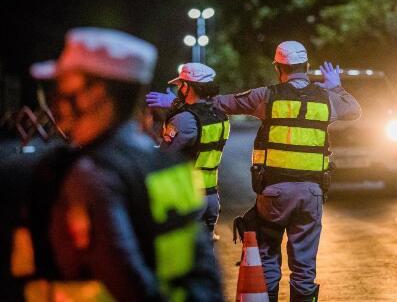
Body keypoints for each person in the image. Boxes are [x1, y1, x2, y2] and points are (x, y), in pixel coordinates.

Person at [19, 27, 224, 301]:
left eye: (64, 85)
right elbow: (207, 273)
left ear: (95, 93)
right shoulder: (170, 165)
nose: (55, 99)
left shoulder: (90, 174)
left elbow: (128, 281)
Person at [147, 41, 361, 302]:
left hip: (274, 193)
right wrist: (335, 84)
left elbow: (219, 104)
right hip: (312, 193)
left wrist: (174, 102)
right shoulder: (326, 98)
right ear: (306, 67)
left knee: (268, 256)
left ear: (278, 67)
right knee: (304, 267)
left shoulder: (266, 95)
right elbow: (354, 110)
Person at [158, 63, 230, 241]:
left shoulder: (184, 119)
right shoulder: (221, 116)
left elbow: (165, 156)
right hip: (212, 197)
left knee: (182, 257)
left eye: (180, 85)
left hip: (189, 198)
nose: (178, 90)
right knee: (204, 255)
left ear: (187, 87)